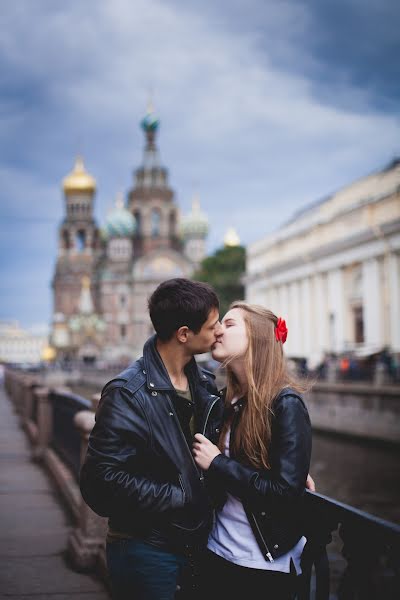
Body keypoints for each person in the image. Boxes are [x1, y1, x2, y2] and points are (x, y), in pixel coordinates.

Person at [79, 278, 224, 600]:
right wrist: (182, 496)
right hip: (145, 548)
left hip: (196, 542)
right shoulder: (127, 392)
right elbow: (101, 482)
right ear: (184, 334)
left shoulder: (204, 384)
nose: (220, 332)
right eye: (213, 325)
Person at [192, 301, 313, 600]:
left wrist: (218, 464)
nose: (218, 330)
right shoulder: (224, 402)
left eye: (229, 324)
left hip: (262, 565)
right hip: (216, 550)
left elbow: (284, 493)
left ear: (256, 337)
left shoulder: (285, 404)